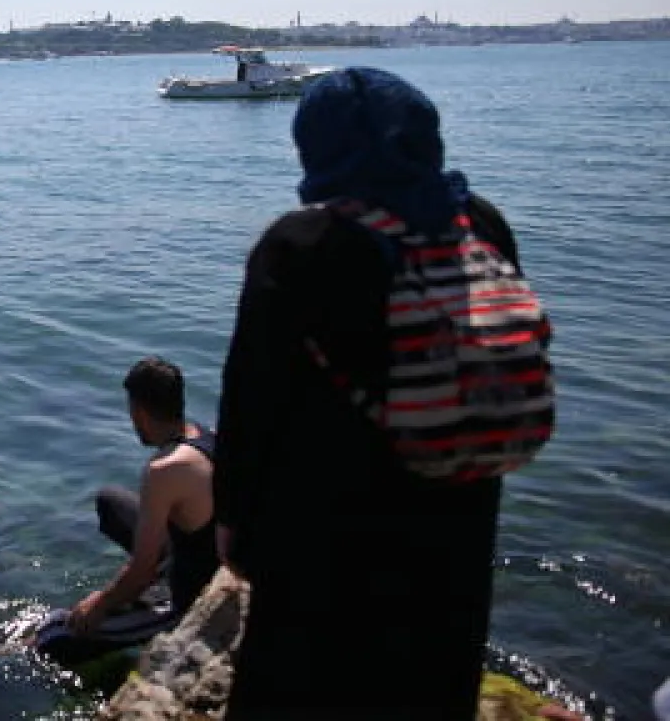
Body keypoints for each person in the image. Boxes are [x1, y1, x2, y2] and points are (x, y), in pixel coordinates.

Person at [216, 67, 540, 720]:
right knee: (432, 678)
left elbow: (251, 400)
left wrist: (235, 526)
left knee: (294, 684)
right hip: (459, 506)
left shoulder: (301, 245)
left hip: (326, 524)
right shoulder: (481, 223)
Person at [32, 357, 218, 665]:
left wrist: (99, 603)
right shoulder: (203, 434)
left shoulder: (163, 471)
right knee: (111, 501)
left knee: (57, 635)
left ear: (139, 412)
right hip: (191, 555)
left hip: (188, 597)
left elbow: (141, 572)